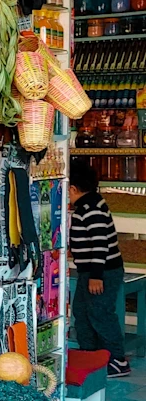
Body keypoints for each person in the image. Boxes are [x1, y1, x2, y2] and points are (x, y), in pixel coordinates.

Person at [69, 159, 130, 378]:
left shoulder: (91, 208)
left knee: (101, 314)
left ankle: (117, 359)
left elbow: (100, 243)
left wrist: (96, 276)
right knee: (82, 312)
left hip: (102, 273)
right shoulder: (88, 205)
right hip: (90, 272)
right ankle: (90, 355)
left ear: (73, 188)